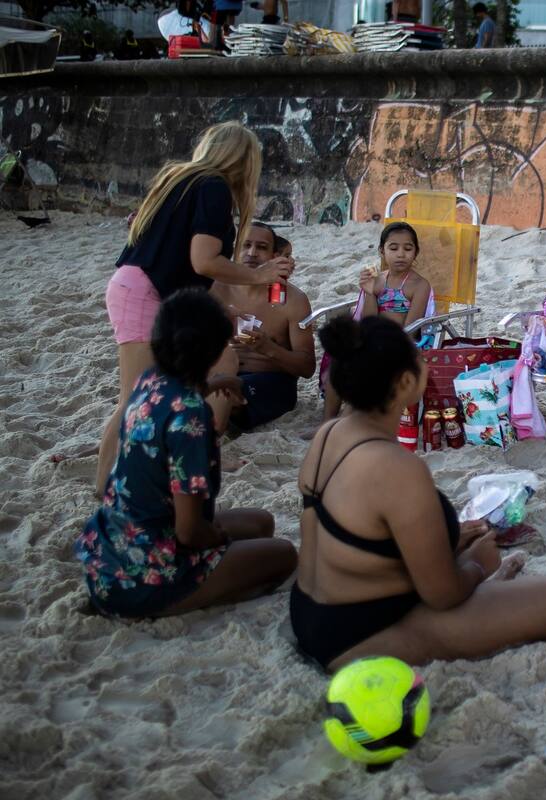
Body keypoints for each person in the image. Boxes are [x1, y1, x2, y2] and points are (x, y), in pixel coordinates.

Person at [291, 316, 546, 670]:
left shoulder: (328, 435)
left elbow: (362, 536)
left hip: (308, 611)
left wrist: (452, 543)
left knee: (474, 569)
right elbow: (442, 595)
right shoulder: (397, 467)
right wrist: (477, 565)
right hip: (361, 635)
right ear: (405, 382)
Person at [75, 290, 298, 619]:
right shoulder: (192, 418)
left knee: (261, 523)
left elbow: (177, 399)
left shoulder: (150, 380)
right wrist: (219, 539)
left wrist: (217, 383)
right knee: (283, 555)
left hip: (115, 545)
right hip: (147, 572)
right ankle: (185, 598)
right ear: (212, 352)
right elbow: (189, 532)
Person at [97, 122, 293, 496]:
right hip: (143, 290)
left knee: (201, 370)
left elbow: (186, 262)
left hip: (151, 290)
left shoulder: (182, 179)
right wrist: (260, 275)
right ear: (244, 159)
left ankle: (189, 457)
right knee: (134, 397)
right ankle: (105, 486)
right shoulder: (213, 186)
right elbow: (204, 261)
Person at [210, 221, 316, 432]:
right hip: (219, 373)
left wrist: (268, 347)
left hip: (269, 381)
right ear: (234, 250)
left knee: (224, 392)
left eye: (261, 247)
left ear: (274, 255)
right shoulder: (214, 289)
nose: (252, 253)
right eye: (245, 245)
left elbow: (307, 367)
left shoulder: (294, 300)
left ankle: (211, 432)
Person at [322, 222, 432, 421]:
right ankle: (327, 421)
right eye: (393, 248)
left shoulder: (419, 285)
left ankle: (347, 420)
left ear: (416, 252)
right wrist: (370, 292)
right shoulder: (378, 280)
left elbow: (412, 330)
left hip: (400, 344)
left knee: (367, 367)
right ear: (382, 251)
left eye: (408, 249)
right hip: (372, 340)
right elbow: (368, 322)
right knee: (340, 360)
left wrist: (380, 346)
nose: (401, 254)